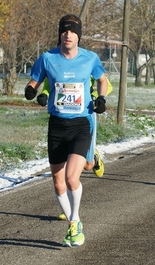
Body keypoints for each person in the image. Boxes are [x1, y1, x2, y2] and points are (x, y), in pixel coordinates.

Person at [24, 14, 108, 247]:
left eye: (72, 31)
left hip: (81, 124)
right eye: (64, 31)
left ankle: (75, 222)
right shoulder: (47, 58)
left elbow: (102, 80)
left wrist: (101, 98)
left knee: (72, 178)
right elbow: (35, 81)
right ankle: (73, 223)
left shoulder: (90, 59)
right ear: (60, 34)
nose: (68, 34)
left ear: (78, 35)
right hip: (57, 125)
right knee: (58, 183)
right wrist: (31, 90)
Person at [38, 76, 113, 222]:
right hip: (61, 120)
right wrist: (44, 95)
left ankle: (94, 158)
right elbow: (48, 85)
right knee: (65, 168)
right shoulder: (57, 68)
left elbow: (107, 85)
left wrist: (96, 96)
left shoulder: (87, 65)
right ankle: (69, 211)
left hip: (85, 117)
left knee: (87, 165)